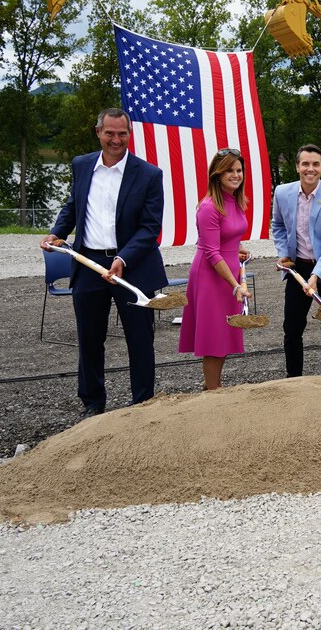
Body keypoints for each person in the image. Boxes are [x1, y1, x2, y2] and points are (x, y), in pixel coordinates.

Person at [40, 107, 167, 418]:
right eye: (110, 133)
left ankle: (142, 404)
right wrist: (57, 232)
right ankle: (93, 404)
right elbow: (73, 205)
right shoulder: (82, 165)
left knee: (140, 339)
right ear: (98, 132)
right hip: (87, 264)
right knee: (90, 339)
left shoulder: (149, 174)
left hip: (133, 267)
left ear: (129, 134)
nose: (116, 139)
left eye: (122, 133)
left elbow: (150, 227)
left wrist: (124, 257)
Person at [271, 144, 321, 377]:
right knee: (293, 328)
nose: (310, 169)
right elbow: (277, 225)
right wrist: (282, 253)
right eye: (305, 164)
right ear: (297, 167)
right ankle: (294, 381)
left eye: (315, 164)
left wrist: (316, 276)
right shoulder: (282, 193)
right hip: (298, 268)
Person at [177, 149, 252, 390]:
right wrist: (235, 284)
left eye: (239, 170)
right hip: (212, 276)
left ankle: (211, 386)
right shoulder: (209, 207)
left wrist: (238, 248)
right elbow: (211, 252)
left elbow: (227, 237)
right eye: (229, 170)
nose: (235, 175)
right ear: (217, 174)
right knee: (214, 337)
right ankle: (212, 391)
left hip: (228, 270)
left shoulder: (236, 200)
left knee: (225, 334)